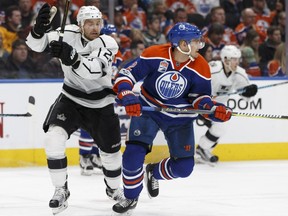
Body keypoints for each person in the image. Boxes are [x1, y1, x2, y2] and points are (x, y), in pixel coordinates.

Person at [111, 22, 232, 214]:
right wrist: (126, 93)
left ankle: (153, 172)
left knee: (184, 167)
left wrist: (212, 109)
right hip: (149, 110)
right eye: (195, 42)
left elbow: (200, 99)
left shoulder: (201, 65)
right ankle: (131, 197)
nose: (200, 45)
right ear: (182, 44)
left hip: (180, 118)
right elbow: (127, 74)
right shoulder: (154, 53)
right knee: (133, 154)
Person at [26, 4, 123, 215]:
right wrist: (38, 29)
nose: (95, 27)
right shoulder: (67, 32)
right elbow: (35, 45)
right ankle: (61, 189)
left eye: (98, 23)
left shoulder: (108, 43)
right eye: (90, 23)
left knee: (112, 155)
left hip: (101, 104)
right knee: (53, 139)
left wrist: (72, 57)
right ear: (80, 25)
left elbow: (94, 70)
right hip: (70, 98)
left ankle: (114, 188)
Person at [195, 45, 258, 164]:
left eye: (238, 59)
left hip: (217, 107)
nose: (237, 62)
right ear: (225, 59)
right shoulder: (212, 69)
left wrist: (249, 92)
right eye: (234, 59)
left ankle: (203, 150)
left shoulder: (239, 73)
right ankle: (201, 150)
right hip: (200, 104)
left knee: (221, 127)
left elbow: (245, 94)